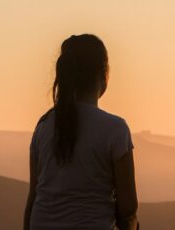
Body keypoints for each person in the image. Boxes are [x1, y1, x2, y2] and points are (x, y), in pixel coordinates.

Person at [24, 34, 139, 230]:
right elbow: (128, 207)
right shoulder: (115, 129)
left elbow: (33, 199)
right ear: (104, 74)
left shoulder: (43, 127)